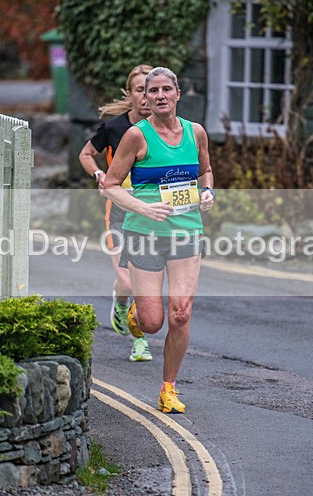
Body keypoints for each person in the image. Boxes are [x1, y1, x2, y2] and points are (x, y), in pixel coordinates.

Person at [102, 67, 214, 414]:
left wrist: (207, 191)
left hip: (186, 230)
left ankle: (168, 388)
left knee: (181, 313)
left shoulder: (196, 133)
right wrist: (143, 207)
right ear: (145, 98)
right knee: (152, 322)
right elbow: (110, 184)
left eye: (167, 89)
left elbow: (205, 171)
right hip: (144, 234)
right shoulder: (137, 136)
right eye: (154, 91)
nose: (161, 96)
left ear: (178, 94)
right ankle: (135, 313)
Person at [78, 64, 154, 362]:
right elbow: (86, 154)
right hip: (120, 210)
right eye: (140, 90)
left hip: (152, 212)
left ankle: (140, 341)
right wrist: (99, 174)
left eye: (150, 90)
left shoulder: (165, 129)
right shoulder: (114, 128)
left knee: (145, 282)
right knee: (125, 282)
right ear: (130, 94)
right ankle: (120, 302)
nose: (147, 97)